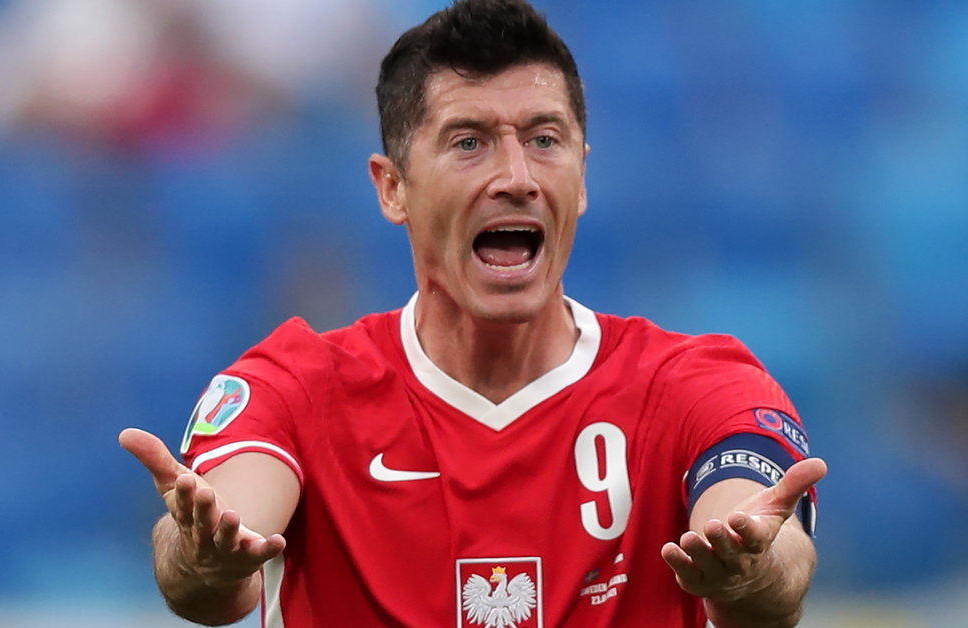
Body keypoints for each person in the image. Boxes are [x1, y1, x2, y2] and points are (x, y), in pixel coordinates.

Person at [120, 1, 827, 626]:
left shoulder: (696, 385)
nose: (516, 178)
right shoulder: (299, 384)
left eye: (544, 140)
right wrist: (204, 554)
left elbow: (768, 547)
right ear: (393, 188)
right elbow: (219, 553)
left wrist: (751, 568)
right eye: (469, 143)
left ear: (582, 175)